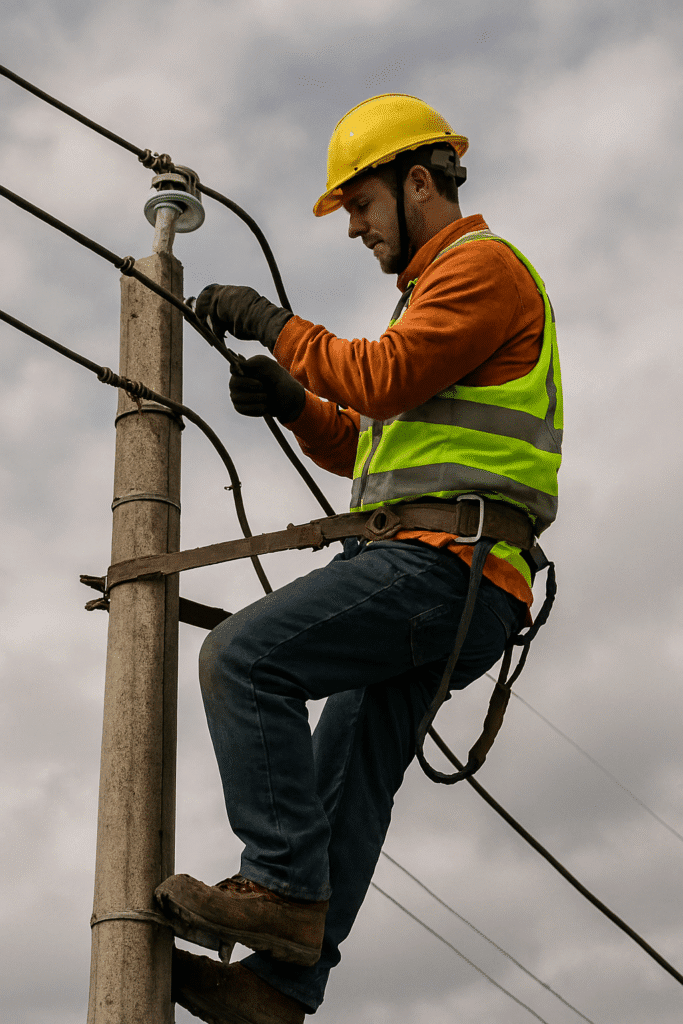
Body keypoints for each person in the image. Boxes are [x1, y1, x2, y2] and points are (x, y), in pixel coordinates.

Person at [155, 93, 563, 1024]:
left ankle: (281, 893)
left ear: (418, 182)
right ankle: (281, 986)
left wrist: (269, 322)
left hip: (443, 566)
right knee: (348, 768)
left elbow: (375, 376)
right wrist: (296, 403)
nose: (354, 229)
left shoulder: (480, 268)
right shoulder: (434, 304)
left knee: (245, 659)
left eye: (360, 205)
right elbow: (361, 440)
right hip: (460, 576)